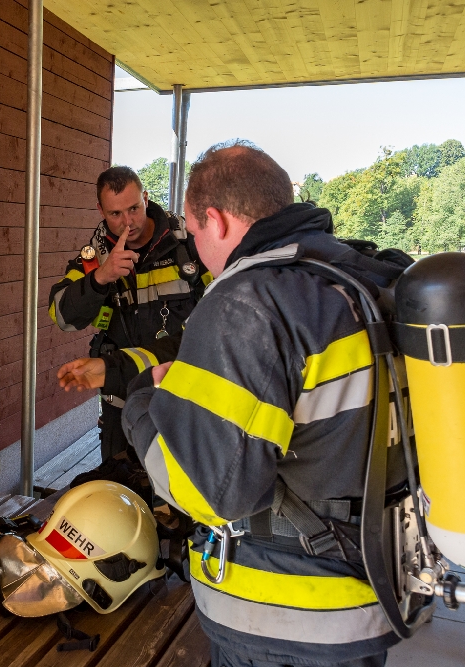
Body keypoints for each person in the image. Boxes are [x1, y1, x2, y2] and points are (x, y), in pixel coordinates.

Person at [122, 143, 405, 667]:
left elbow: (210, 492)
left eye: (194, 231)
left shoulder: (246, 303)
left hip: (281, 616)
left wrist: (142, 406)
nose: (197, 251)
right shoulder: (363, 278)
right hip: (371, 596)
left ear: (215, 220)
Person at [47, 166, 204, 461]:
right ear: (100, 211)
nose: (127, 222)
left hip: (181, 399)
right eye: (115, 214)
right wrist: (99, 279)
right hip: (121, 402)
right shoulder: (95, 256)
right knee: (118, 483)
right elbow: (61, 316)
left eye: (134, 208)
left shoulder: (187, 243)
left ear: (146, 197)